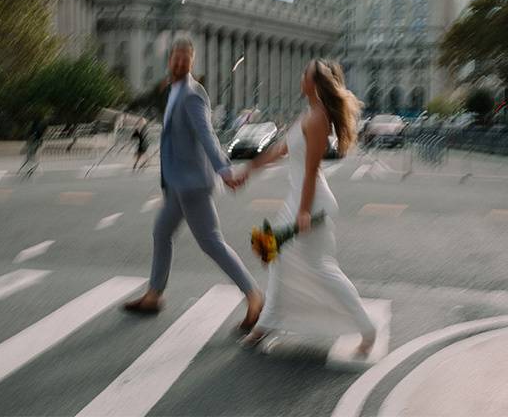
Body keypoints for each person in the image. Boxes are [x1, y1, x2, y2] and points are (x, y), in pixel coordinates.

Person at [236, 59, 377, 356]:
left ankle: (367, 329)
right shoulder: (308, 116)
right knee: (279, 259)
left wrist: (302, 211)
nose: (300, 78)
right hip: (300, 198)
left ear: (314, 84)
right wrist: (248, 171)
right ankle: (267, 324)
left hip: (310, 202)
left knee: (320, 267)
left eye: (305, 75)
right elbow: (277, 151)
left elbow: (312, 169)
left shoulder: (317, 119)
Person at [123, 38, 264, 332]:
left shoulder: (191, 94)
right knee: (161, 232)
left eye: (185, 60)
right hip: (178, 183)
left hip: (193, 184)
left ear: (191, 62)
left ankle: (253, 295)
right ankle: (154, 294)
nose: (179, 64)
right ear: (170, 59)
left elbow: (207, 135)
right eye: (176, 58)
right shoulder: (174, 89)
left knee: (211, 242)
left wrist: (224, 170)